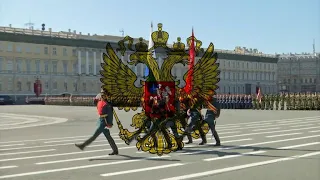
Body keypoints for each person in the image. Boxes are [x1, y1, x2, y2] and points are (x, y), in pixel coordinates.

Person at [75, 91, 118, 155]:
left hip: (104, 122)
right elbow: (95, 103)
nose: (102, 96)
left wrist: (109, 123)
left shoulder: (107, 104)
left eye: (103, 95)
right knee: (108, 136)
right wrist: (96, 98)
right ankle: (115, 150)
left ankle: (83, 145)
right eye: (102, 95)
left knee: (94, 136)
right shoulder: (100, 101)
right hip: (100, 120)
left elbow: (110, 115)